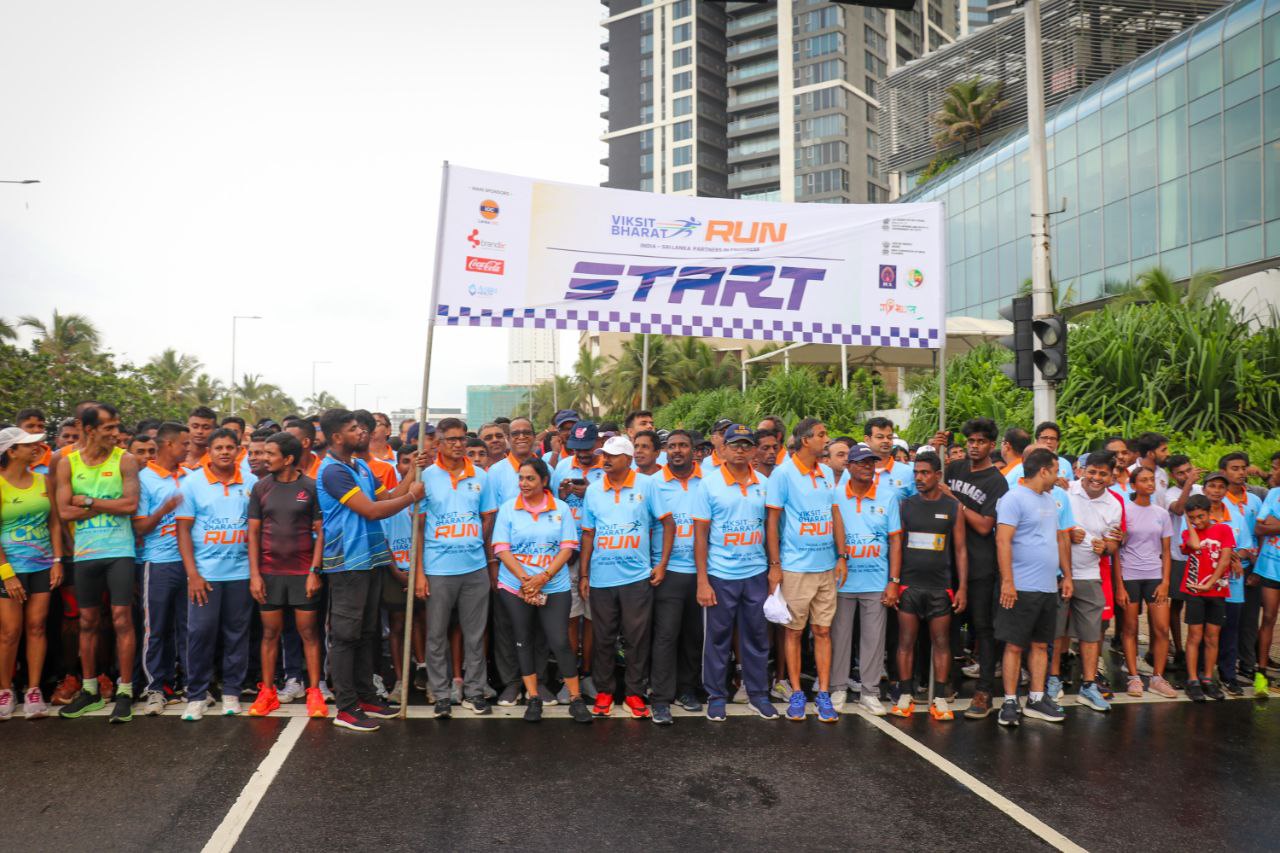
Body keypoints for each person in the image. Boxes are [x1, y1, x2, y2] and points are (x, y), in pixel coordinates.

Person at [319, 409, 423, 731]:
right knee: (346, 635)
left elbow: (387, 496)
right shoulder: (333, 472)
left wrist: (411, 476)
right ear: (337, 436)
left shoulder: (360, 466)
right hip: (348, 561)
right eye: (354, 429)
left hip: (372, 559)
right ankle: (346, 707)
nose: (363, 432)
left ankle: (367, 697)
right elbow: (373, 511)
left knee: (368, 633)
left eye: (363, 428)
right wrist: (411, 498)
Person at [57, 404, 141, 723]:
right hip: (86, 554)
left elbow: (130, 505)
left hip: (119, 551)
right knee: (87, 622)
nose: (115, 434)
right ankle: (90, 690)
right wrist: (109, 507)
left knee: (122, 619)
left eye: (117, 427)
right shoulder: (68, 463)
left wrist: (90, 502)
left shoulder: (126, 459)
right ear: (89, 430)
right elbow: (64, 512)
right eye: (108, 428)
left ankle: (124, 691)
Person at [490, 457, 592, 723]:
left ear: (544, 481)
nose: (524, 483)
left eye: (530, 478)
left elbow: (568, 547)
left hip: (553, 585)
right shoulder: (508, 509)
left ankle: (576, 698)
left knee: (559, 642)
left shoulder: (560, 508)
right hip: (516, 586)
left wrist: (543, 577)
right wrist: (527, 581)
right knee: (523, 640)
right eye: (521, 478)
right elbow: (501, 548)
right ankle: (533, 698)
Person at [579, 435, 671, 718]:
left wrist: (662, 564)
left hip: (636, 578)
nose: (605, 459)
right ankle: (604, 692)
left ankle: (634, 693)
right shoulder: (594, 490)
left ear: (628, 460)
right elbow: (588, 533)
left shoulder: (647, 485)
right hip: (602, 578)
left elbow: (667, 523)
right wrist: (584, 573)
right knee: (604, 638)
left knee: (636, 639)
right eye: (603, 454)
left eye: (612, 455)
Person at [693, 424, 778, 722]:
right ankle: (716, 696)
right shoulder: (709, 483)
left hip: (755, 571)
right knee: (718, 638)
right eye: (735, 445)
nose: (740, 450)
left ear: (753, 450)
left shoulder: (764, 483)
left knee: (756, 636)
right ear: (723, 449)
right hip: (720, 573)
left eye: (746, 445)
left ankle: (758, 694)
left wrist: (773, 569)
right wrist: (702, 581)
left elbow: (770, 529)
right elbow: (700, 534)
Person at [415, 417, 497, 718]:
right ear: (439, 442)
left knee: (475, 634)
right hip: (438, 569)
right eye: (451, 439)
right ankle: (440, 694)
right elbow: (420, 526)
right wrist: (420, 572)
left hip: (473, 567)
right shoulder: (426, 476)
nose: (459, 444)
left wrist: (478, 545)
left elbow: (488, 516)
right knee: (436, 635)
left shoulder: (481, 476)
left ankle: (475, 692)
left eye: (463, 438)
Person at [766, 417, 846, 723]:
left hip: (827, 566)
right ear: (805, 441)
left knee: (823, 631)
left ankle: (823, 693)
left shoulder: (826, 472)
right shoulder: (783, 474)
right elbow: (772, 523)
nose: (826, 440)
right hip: (796, 568)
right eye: (821, 435)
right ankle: (797, 692)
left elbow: (835, 514)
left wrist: (841, 556)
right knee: (794, 632)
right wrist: (775, 565)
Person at [174, 428, 257, 721]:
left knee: (237, 633)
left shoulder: (251, 482)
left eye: (230, 447)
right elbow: (182, 531)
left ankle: (232, 691)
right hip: (205, 575)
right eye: (219, 447)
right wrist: (192, 574)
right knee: (200, 633)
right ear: (209, 451)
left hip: (241, 572)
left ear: (238, 451)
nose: (224, 452)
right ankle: (197, 694)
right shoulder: (191, 484)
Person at [247, 431, 326, 718]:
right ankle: (267, 693)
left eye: (270, 454)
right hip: (269, 573)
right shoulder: (260, 488)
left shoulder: (312, 487)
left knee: (309, 633)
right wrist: (255, 575)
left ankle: (314, 693)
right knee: (270, 634)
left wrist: (314, 571)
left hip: (302, 573)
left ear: (289, 458)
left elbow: (321, 533)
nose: (264, 458)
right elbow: (253, 533)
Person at [994, 448, 1075, 726]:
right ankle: (1009, 701)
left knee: (1041, 645)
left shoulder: (1050, 500)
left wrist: (1066, 575)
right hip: (1020, 587)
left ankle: (1037, 699)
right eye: (1055, 470)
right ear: (1043, 471)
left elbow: (1058, 540)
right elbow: (1003, 541)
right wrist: (1008, 582)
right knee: (1015, 646)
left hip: (1047, 587)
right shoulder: (1013, 498)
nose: (1058, 476)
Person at [890, 452, 966, 720]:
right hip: (909, 586)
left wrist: (962, 588)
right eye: (916, 473)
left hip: (940, 588)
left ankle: (940, 698)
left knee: (942, 643)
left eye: (925, 473)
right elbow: (897, 545)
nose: (919, 478)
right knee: (906, 642)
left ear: (937, 475)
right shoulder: (906, 505)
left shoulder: (952, 507)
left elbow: (960, 550)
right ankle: (906, 693)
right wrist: (895, 582)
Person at [941, 418, 1008, 720]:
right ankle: (948, 684)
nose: (974, 446)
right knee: (949, 627)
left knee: (983, 628)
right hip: (949, 563)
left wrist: (954, 500)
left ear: (992, 446)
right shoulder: (954, 469)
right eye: (970, 441)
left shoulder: (997, 481)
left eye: (980, 441)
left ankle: (984, 691)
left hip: (981, 564)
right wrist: (936, 446)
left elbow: (984, 526)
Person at [830, 442, 901, 715]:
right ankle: (838, 688)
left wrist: (893, 580)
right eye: (860, 462)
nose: (866, 467)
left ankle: (869, 692)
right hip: (842, 580)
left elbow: (895, 541)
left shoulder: (888, 497)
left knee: (874, 641)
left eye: (870, 463)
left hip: (876, 580)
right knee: (840, 637)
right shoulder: (835, 495)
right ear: (848, 467)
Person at [1049, 451, 1122, 712]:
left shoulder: (1114, 505)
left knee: (1092, 636)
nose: (1096, 477)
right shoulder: (1066, 491)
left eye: (1103, 473)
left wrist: (1106, 547)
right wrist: (1070, 533)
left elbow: (1115, 543)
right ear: (1082, 470)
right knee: (1057, 631)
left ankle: (1089, 685)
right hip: (1059, 574)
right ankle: (1053, 680)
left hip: (1091, 576)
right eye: (1092, 471)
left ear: (1111, 476)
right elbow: (1050, 525)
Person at [0, 427, 63, 719]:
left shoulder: (43, 480)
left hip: (41, 565)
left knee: (37, 628)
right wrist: (7, 573)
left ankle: (33, 690)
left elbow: (54, 522)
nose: (35, 447)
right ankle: (5, 690)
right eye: (27, 445)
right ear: (11, 452)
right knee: (10, 633)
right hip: (8, 569)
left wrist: (57, 559)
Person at [133, 422, 191, 715]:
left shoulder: (190, 476)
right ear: (168, 445)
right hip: (157, 564)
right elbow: (140, 526)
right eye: (184, 444)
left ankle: (191, 686)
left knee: (188, 628)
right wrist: (164, 510)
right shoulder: (144, 480)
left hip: (188, 564)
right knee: (155, 629)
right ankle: (155, 687)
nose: (189, 448)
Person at [647, 429, 704, 721]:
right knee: (666, 636)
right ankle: (660, 697)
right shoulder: (653, 483)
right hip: (667, 571)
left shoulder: (706, 481)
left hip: (701, 572)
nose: (677, 450)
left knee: (694, 637)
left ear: (694, 450)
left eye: (683, 446)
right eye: (672, 446)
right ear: (665, 451)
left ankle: (687, 690)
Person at [482, 416, 537, 706]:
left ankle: (536, 684)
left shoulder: (546, 469)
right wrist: (493, 563)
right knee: (506, 627)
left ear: (534, 436)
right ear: (508, 438)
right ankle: (511, 684)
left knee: (537, 626)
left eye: (526, 432)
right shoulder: (496, 473)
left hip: (540, 564)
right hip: (505, 562)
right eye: (514, 433)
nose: (520, 437)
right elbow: (490, 520)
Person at [551, 421, 605, 693]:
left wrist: (589, 494)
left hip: (599, 553)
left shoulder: (607, 467)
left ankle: (588, 674)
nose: (582, 454)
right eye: (577, 448)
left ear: (598, 444)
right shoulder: (561, 467)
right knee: (570, 617)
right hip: (567, 554)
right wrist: (562, 495)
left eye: (587, 448)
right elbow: (550, 506)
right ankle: (569, 676)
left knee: (594, 618)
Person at [1114, 464, 1176, 699]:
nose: (1150, 484)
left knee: (1161, 628)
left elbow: (1167, 551)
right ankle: (1134, 677)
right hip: (1130, 576)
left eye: (1152, 480)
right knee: (1129, 629)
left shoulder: (1161, 513)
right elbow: (1117, 551)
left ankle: (1157, 678)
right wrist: (1119, 585)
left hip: (1154, 576)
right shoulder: (1124, 512)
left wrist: (1165, 581)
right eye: (1144, 480)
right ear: (1133, 485)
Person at [1179, 493, 1234, 702]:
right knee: (1195, 636)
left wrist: (1209, 583)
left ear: (1210, 512)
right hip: (1194, 590)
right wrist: (1188, 520)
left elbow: (1225, 559)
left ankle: (1208, 678)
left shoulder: (1224, 529)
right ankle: (1193, 680)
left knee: (1212, 636)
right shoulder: (1188, 533)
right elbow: (1193, 545)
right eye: (1192, 518)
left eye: (1201, 516)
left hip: (1216, 590)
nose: (1197, 521)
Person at [1220, 451, 1263, 687]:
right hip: (1225, 568)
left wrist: (1257, 567)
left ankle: (1247, 663)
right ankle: (1223, 664)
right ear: (1224, 472)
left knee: (1248, 618)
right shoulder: (1219, 501)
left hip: (1250, 565)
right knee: (1226, 618)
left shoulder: (1255, 501)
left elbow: (1258, 535)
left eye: (1243, 468)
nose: (1241, 472)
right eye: (1234, 468)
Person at [1164, 454, 1202, 663]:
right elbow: (1178, 509)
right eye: (1181, 473)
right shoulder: (1169, 493)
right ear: (1172, 475)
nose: (1186, 475)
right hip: (1179, 556)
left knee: (1201, 603)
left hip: (1202, 555)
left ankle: (1198, 648)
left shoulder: (1201, 489)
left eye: (1188, 470)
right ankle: (1179, 648)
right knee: (1177, 603)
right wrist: (1188, 484)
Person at [1252, 481, 1280, 697]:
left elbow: (1268, 525)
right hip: (1270, 565)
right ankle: (1261, 673)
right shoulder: (1274, 493)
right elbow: (1259, 527)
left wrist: (1275, 524)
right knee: (1268, 617)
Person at [864, 417, 914, 498]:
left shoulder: (908, 472)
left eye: (889, 437)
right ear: (867, 439)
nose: (886, 441)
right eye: (880, 437)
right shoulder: (854, 471)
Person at [1130, 433, 1171, 507]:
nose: (1168, 454)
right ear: (1150, 454)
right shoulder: (1129, 473)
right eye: (1163, 450)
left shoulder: (1163, 473)